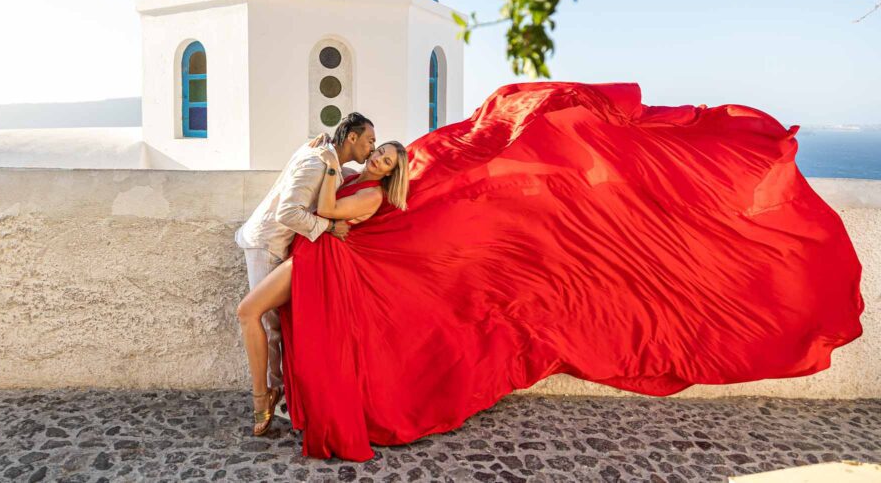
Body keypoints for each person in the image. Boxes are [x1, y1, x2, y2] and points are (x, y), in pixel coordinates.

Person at [271, 81, 864, 462]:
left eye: (384, 152)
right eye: (373, 149)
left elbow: (403, 191)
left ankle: (275, 402)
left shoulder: (394, 176)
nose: (377, 155)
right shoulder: (386, 173)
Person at [234, 112, 376, 436]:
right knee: (266, 323)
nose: (372, 147)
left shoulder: (326, 156)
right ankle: (267, 398)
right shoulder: (318, 162)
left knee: (277, 324)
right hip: (266, 243)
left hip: (276, 245)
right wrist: (329, 226)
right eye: (369, 140)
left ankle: (280, 397)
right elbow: (287, 212)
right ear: (351, 138)